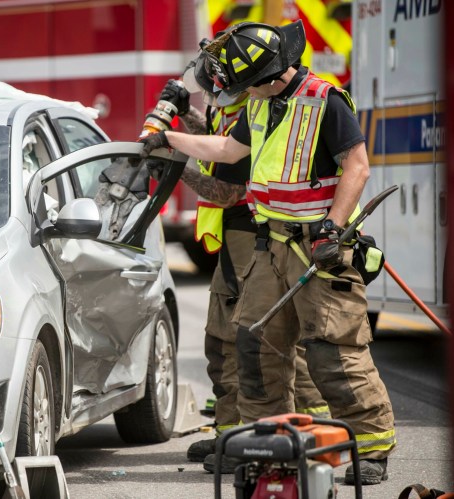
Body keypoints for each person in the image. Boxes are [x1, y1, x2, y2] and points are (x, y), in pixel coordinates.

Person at [140, 20, 395, 485]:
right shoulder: (262, 105)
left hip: (318, 250)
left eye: (243, 86)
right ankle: (270, 440)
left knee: (332, 352)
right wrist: (169, 138)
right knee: (255, 344)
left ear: (270, 75)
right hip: (270, 245)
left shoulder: (326, 100)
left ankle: (372, 447)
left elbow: (357, 168)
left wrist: (331, 229)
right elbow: (226, 149)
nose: (238, 94)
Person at [157, 46, 328, 474]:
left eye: (215, 86)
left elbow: (228, 189)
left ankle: (309, 433)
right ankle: (232, 434)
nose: (210, 95)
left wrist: (173, 166)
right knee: (223, 342)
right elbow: (215, 138)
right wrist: (185, 116)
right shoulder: (241, 110)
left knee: (253, 341)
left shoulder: (255, 111)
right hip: (239, 241)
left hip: (253, 239)